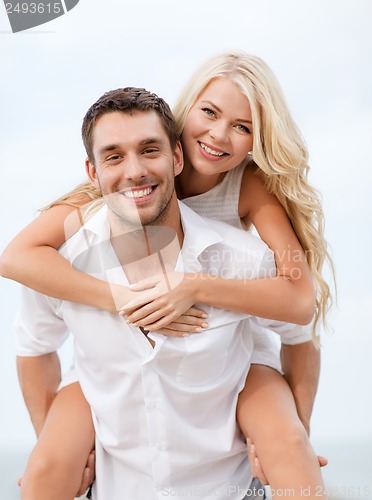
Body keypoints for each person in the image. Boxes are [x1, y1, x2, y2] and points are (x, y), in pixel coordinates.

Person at [0, 52, 333, 496]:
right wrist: (121, 301)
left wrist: (193, 286)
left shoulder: (247, 190)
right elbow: (16, 259)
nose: (219, 135)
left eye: (243, 126)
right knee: (47, 465)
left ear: (173, 155)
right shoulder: (95, 203)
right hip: (108, 367)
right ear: (186, 113)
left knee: (287, 444)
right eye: (210, 113)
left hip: (235, 342)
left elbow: (298, 305)